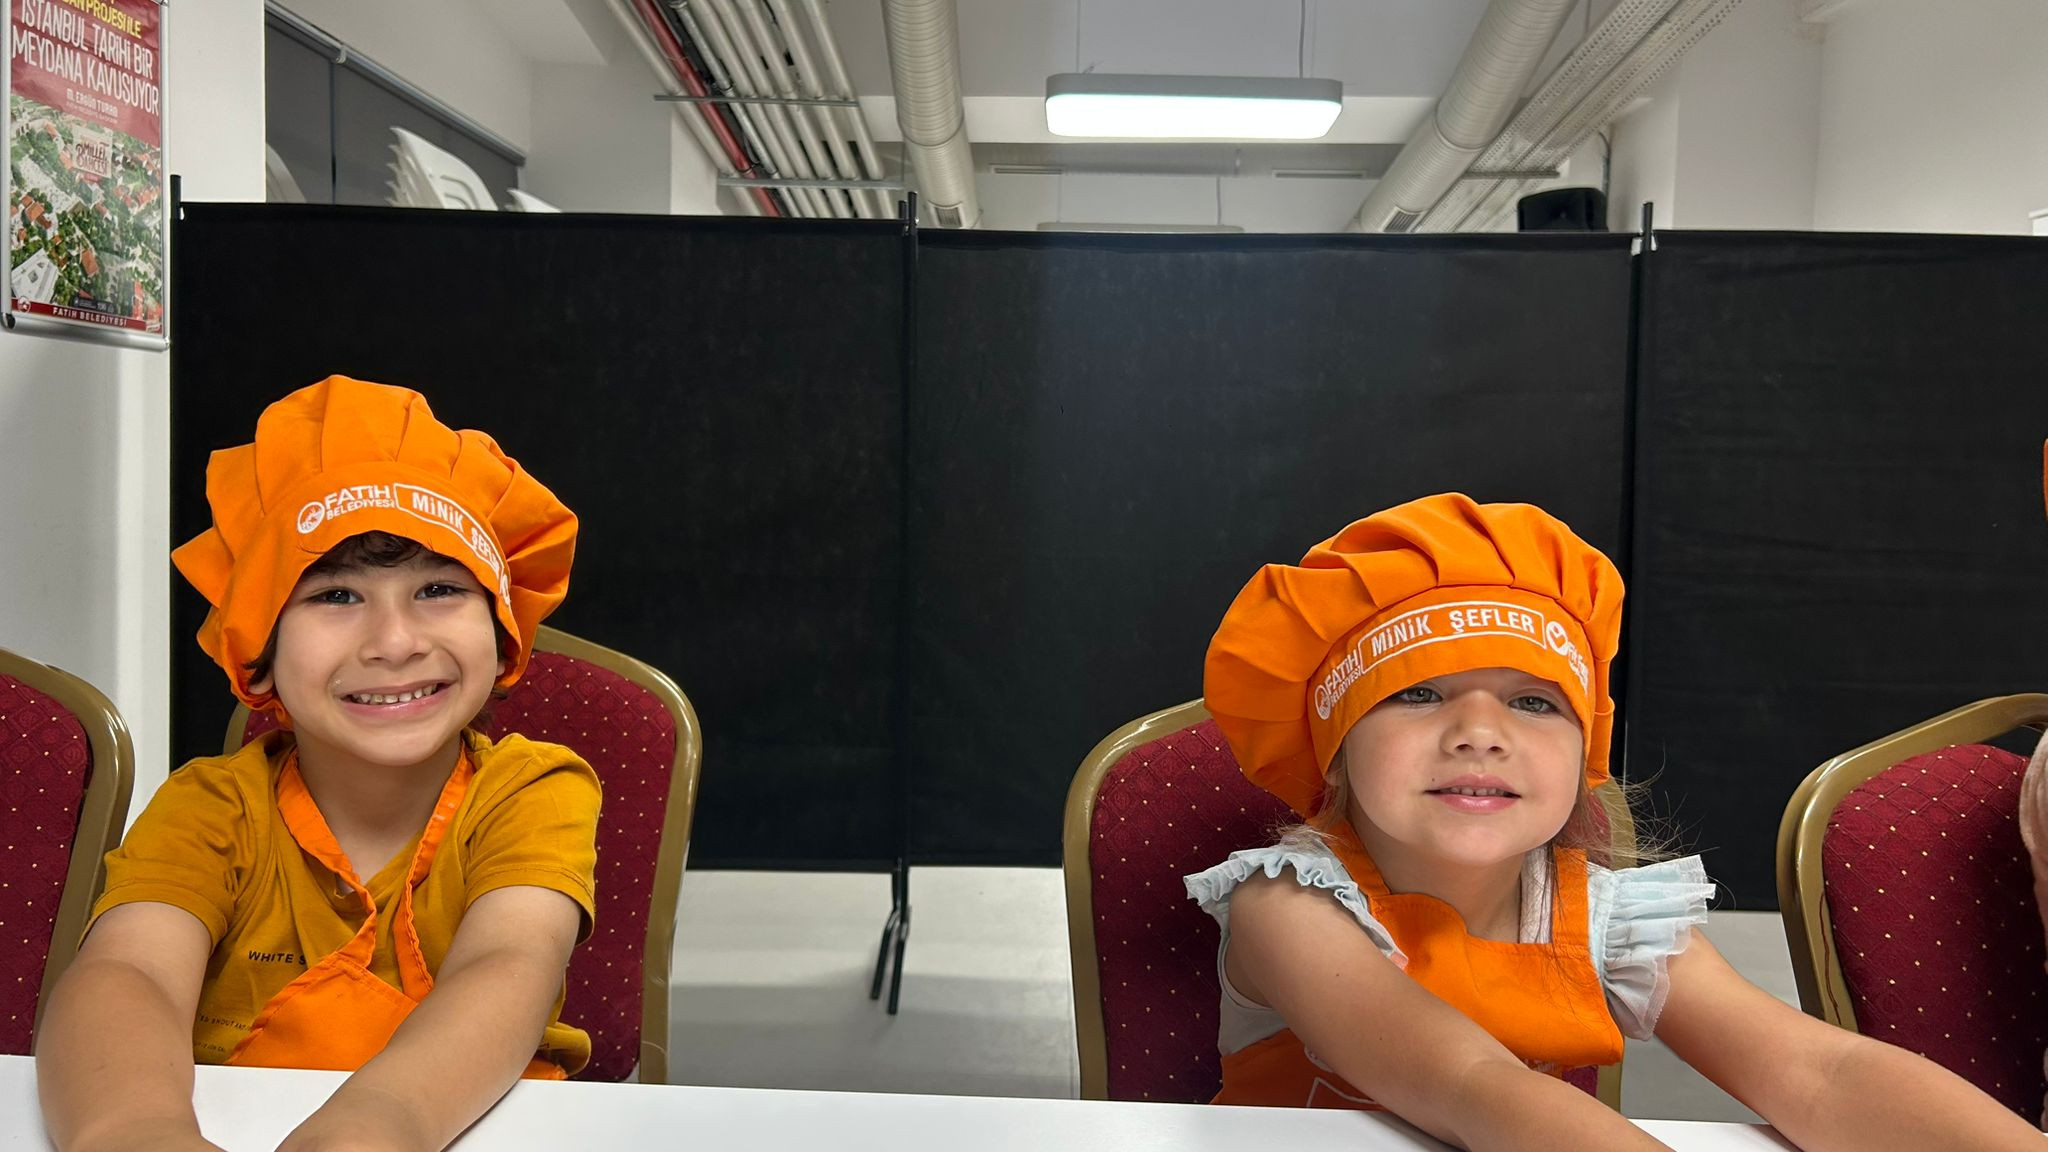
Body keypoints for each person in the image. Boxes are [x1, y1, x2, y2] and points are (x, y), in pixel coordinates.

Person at [1186, 492, 2040, 1151]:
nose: (1480, 732)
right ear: (1336, 751)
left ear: (1583, 759)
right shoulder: (1288, 907)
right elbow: (1471, 1085)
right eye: (1418, 693)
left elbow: (1821, 1073)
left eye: (1533, 702)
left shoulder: (1610, 921)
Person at [37, 376, 599, 1152]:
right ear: (257, 653)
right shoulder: (210, 808)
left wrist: (375, 1127)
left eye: (439, 588)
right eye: (336, 596)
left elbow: (507, 968)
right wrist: (133, 1129)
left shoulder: (532, 791)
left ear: (503, 635)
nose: (395, 642)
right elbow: (128, 974)